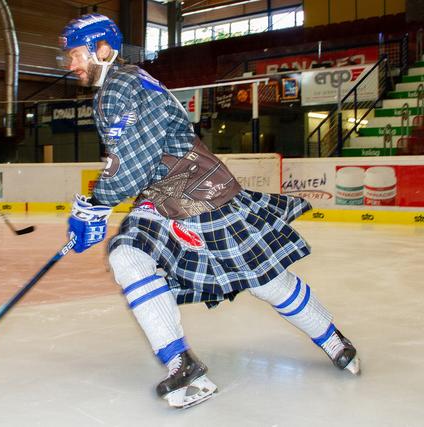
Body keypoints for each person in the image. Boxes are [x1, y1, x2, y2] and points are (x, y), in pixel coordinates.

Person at [61, 14, 360, 410]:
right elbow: (131, 159)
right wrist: (95, 205)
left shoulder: (122, 85)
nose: (70, 65)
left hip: (199, 191)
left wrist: (95, 206)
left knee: (264, 279)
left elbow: (132, 161)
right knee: (128, 254)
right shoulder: (118, 86)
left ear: (103, 49)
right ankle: (181, 363)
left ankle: (333, 338)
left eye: (77, 54)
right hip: (163, 194)